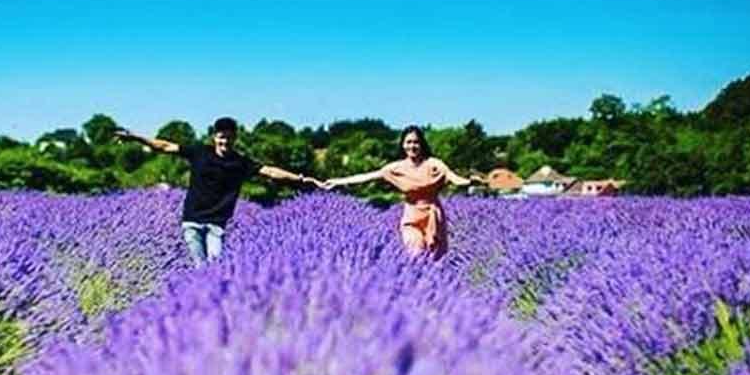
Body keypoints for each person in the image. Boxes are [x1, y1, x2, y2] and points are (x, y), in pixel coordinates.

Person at [115, 117, 321, 265]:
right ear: (214, 137)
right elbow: (165, 146)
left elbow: (270, 171)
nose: (225, 142)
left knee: (214, 269)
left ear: (235, 138)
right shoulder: (199, 152)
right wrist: (135, 137)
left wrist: (301, 178)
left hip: (216, 225)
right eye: (222, 137)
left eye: (229, 138)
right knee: (200, 267)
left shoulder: (240, 162)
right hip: (192, 221)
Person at [326, 125, 486, 258]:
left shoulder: (434, 164)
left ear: (422, 144)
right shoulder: (396, 168)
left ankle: (431, 293)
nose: (412, 146)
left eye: (416, 142)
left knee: (435, 259)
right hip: (411, 218)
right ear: (403, 145)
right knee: (416, 253)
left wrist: (469, 181)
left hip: (433, 217)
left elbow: (453, 177)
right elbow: (367, 176)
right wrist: (337, 182)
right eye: (408, 142)